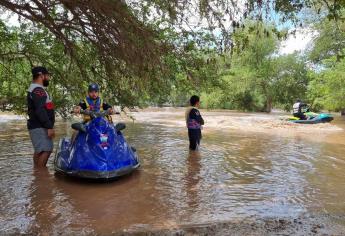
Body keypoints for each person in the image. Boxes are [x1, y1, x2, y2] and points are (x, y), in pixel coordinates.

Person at [27, 66, 55, 168]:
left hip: (37, 125)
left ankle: (37, 175)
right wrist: (49, 126)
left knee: (39, 150)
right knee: (46, 149)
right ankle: (40, 176)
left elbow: (45, 107)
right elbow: (40, 110)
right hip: (39, 126)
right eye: (47, 75)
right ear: (41, 76)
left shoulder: (36, 89)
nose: (48, 78)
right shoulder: (38, 90)